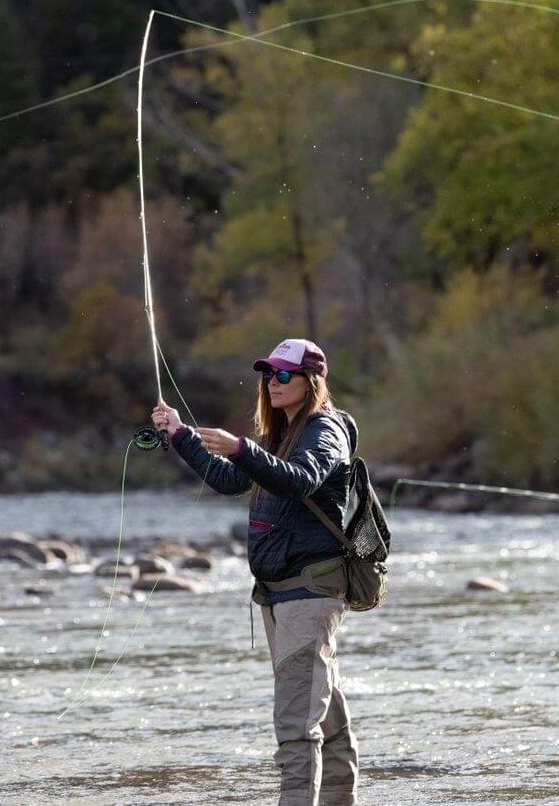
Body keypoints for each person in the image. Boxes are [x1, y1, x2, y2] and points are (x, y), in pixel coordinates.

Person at [152, 338, 359, 806]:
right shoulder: (279, 434)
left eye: (284, 375)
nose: (273, 382)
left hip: (310, 591)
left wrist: (241, 448)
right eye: (268, 374)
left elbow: (299, 479)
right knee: (321, 710)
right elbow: (229, 480)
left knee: (295, 722)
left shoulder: (325, 431)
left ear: (312, 382)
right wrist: (181, 435)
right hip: (279, 593)